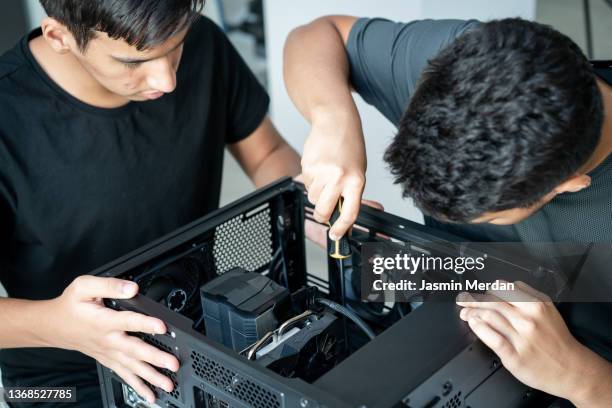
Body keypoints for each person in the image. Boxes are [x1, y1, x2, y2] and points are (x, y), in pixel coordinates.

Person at [284, 16, 612, 407]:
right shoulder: (471, 65)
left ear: (566, 186)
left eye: (486, 218)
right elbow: (318, 36)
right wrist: (333, 120)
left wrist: (582, 378)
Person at [0, 0, 302, 405]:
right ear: (60, 36)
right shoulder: (8, 117)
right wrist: (59, 325)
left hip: (196, 335)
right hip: (64, 375)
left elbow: (267, 153)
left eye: (175, 47)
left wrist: (314, 207)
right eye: (131, 62)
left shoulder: (204, 43)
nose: (168, 79)